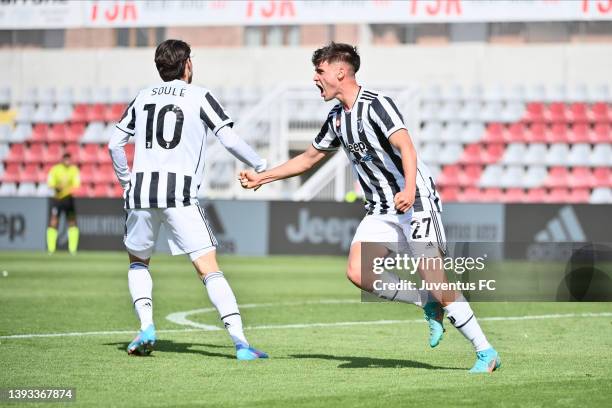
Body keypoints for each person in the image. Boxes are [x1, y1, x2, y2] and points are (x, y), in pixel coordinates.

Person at [239, 42, 500, 372]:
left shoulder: (378, 106)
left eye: (319, 71)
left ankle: (485, 351)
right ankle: (426, 302)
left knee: (436, 278)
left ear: (340, 71)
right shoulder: (336, 119)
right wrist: (263, 177)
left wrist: (407, 188)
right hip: (380, 208)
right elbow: (308, 159)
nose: (315, 78)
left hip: (414, 200)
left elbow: (406, 146)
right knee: (358, 271)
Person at [108, 39, 268, 360]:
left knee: (139, 262)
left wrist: (128, 181)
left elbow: (115, 144)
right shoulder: (199, 95)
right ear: (188, 65)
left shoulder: (142, 97)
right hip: (179, 193)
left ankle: (146, 326)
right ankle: (240, 343)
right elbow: (228, 138)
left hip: (140, 193)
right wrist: (260, 164)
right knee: (208, 268)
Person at [47, 152, 80, 255]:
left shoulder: (74, 170)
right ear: (62, 159)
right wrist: (57, 187)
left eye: (69, 159)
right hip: (57, 199)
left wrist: (66, 189)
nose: (67, 161)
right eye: (65, 159)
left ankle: (72, 250)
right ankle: (51, 249)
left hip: (68, 199)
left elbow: (77, 184)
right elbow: (50, 183)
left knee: (72, 222)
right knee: (53, 221)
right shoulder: (55, 169)